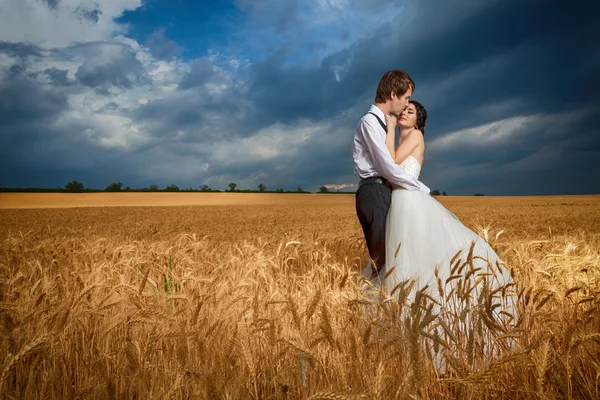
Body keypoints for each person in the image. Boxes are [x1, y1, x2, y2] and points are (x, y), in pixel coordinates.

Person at [382, 101, 514, 308]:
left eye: (411, 112)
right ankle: (404, 298)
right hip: (400, 199)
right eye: (404, 110)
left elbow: (392, 159)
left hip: (408, 201)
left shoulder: (415, 135)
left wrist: (389, 129)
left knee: (412, 249)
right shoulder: (403, 137)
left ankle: (418, 299)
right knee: (404, 251)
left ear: (418, 121)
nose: (404, 114)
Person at [352, 69, 430, 283]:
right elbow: (387, 165)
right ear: (393, 94)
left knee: (390, 259)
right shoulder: (370, 122)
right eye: (405, 98)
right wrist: (420, 188)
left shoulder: (384, 124)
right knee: (383, 262)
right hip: (375, 191)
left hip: (383, 192)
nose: (406, 104)